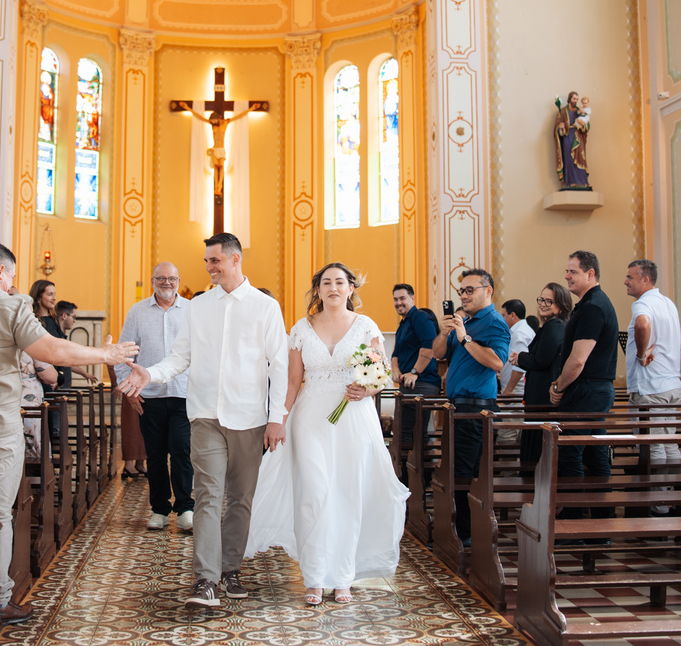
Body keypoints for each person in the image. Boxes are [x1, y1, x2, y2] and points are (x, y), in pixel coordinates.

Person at [0, 243, 138, 626]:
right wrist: (105, 355)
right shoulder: (11, 306)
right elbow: (51, 350)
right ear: (1, 271)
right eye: (12, 277)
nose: (12, 284)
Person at [119, 232, 289, 609]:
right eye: (207, 261)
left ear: (234, 260)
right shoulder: (198, 306)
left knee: (241, 499)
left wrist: (276, 418)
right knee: (208, 496)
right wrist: (150, 374)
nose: (209, 267)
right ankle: (206, 580)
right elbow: (180, 357)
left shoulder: (264, 307)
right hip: (205, 415)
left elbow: (279, 365)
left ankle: (230, 569)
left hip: (249, 417)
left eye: (214, 260)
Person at [245, 263, 408, 604]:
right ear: (317, 290)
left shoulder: (366, 327)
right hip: (310, 417)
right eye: (325, 282)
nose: (333, 287)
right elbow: (292, 381)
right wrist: (278, 419)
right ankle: (315, 575)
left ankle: (343, 576)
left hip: (353, 418)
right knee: (314, 493)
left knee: (348, 495)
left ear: (351, 288)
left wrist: (367, 390)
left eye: (340, 282)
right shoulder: (302, 328)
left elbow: (380, 376)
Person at [431, 268, 510, 544]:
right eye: (461, 291)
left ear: (488, 291)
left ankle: (466, 535)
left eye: (469, 290)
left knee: (467, 474)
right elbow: (439, 354)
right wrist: (444, 334)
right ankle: (456, 530)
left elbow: (498, 362)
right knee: (455, 469)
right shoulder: (464, 321)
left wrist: (465, 338)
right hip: (457, 407)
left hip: (476, 410)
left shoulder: (494, 323)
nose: (464, 295)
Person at [114, 262, 194, 531]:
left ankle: (185, 508)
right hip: (149, 396)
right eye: (161, 278)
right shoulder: (137, 312)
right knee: (156, 455)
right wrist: (129, 390)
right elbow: (123, 354)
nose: (167, 283)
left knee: (183, 451)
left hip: (184, 393)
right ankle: (159, 509)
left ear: (179, 281)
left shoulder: (192, 311)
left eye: (172, 278)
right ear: (152, 281)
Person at [549, 251, 619, 521]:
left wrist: (558, 387)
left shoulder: (592, 307)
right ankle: (603, 519)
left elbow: (577, 361)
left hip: (586, 390)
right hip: (595, 390)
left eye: (573, 271)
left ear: (591, 274)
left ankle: (574, 521)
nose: (567, 275)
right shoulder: (592, 303)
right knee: (594, 451)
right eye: (566, 271)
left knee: (570, 453)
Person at [623, 259, 681, 515]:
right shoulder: (668, 303)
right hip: (671, 384)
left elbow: (643, 324)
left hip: (651, 385)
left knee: (654, 444)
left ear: (645, 280)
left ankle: (658, 506)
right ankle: (675, 498)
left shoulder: (643, 303)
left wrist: (641, 353)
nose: (625, 281)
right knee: (670, 442)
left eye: (630, 277)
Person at [514, 283, 571, 467]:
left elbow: (542, 360)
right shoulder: (553, 325)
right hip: (540, 396)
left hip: (542, 397)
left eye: (549, 301)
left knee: (537, 449)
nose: (543, 304)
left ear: (561, 305)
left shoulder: (554, 326)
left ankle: (531, 486)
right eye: (541, 299)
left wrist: (520, 358)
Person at [390, 283, 440, 483]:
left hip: (422, 383)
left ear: (412, 298)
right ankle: (410, 479)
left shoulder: (420, 317)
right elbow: (395, 353)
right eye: (395, 299)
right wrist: (395, 370)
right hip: (408, 385)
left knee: (412, 435)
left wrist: (414, 371)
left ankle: (417, 481)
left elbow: (430, 346)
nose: (398, 303)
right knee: (405, 433)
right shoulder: (403, 324)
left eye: (402, 298)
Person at [554, 91, 590, 189]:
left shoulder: (580, 111)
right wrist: (560, 128)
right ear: (569, 99)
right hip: (567, 137)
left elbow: (587, 124)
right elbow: (556, 130)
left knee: (580, 158)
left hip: (578, 137)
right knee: (569, 159)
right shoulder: (562, 112)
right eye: (574, 99)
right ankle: (570, 182)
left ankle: (582, 181)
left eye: (577, 99)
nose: (575, 101)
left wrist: (583, 125)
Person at [499, 300, 535, 397]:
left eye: (504, 315)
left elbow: (519, 365)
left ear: (513, 315)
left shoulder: (519, 333)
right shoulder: (522, 330)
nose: (502, 319)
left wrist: (508, 390)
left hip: (516, 391)